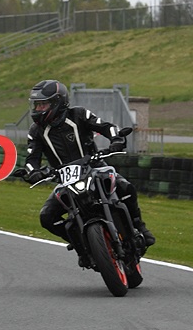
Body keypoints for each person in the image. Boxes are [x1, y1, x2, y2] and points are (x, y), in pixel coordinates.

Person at [23, 79, 155, 266]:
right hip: (65, 180)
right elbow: (31, 159)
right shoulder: (36, 131)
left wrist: (116, 139)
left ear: (57, 102)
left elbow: (106, 126)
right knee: (47, 217)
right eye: (36, 105)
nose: (38, 109)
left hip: (95, 167)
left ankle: (139, 226)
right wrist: (33, 172)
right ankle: (82, 246)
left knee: (126, 188)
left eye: (43, 104)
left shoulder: (78, 114)